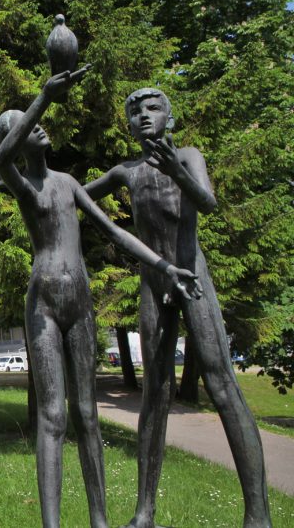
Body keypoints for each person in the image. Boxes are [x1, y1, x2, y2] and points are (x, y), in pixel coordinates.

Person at [0, 68, 198, 528]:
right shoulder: (23, 185)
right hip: (43, 304)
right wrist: (44, 95)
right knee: (52, 415)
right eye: (26, 125)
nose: (39, 126)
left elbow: (111, 230)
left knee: (87, 413)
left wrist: (164, 266)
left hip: (81, 304)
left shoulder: (67, 183)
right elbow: (4, 158)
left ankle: (100, 521)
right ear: (19, 139)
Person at [84, 88, 271, 528]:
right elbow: (74, 196)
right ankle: (144, 512)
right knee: (155, 395)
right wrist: (21, 175)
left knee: (223, 385)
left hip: (193, 277)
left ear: (168, 114)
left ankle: (258, 515)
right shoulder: (125, 171)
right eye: (135, 112)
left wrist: (177, 172)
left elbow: (207, 202)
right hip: (154, 282)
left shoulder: (187, 155)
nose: (144, 116)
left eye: (153, 109)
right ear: (128, 124)